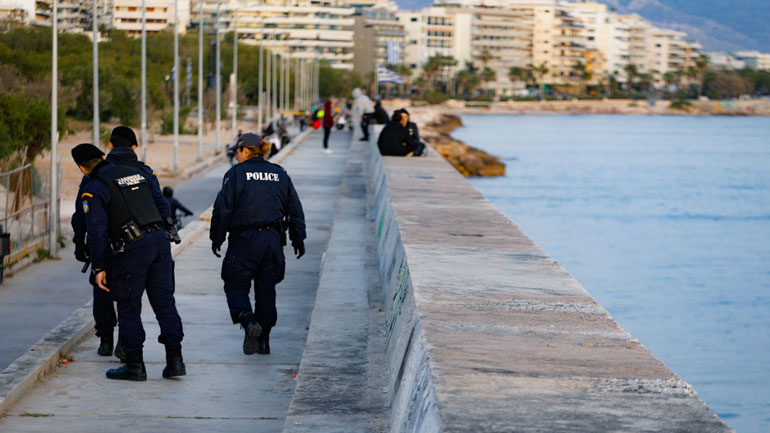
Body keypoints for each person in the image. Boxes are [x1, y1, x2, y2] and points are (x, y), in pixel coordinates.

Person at [72, 143, 185, 381]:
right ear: (103, 156)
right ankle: (175, 361)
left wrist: (100, 267)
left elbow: (97, 231)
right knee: (165, 302)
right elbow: (162, 204)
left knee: (128, 305)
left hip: (133, 246)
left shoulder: (94, 187)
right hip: (160, 241)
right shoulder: (138, 173)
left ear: (83, 168)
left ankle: (134, 365)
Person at [210, 133, 306, 356]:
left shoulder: (236, 174)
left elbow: (223, 209)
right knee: (266, 290)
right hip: (272, 240)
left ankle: (248, 320)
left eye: (237, 152)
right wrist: (298, 238)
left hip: (244, 240)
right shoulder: (280, 173)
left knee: (235, 284)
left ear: (246, 150)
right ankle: (264, 341)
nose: (236, 157)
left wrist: (217, 237)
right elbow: (295, 209)